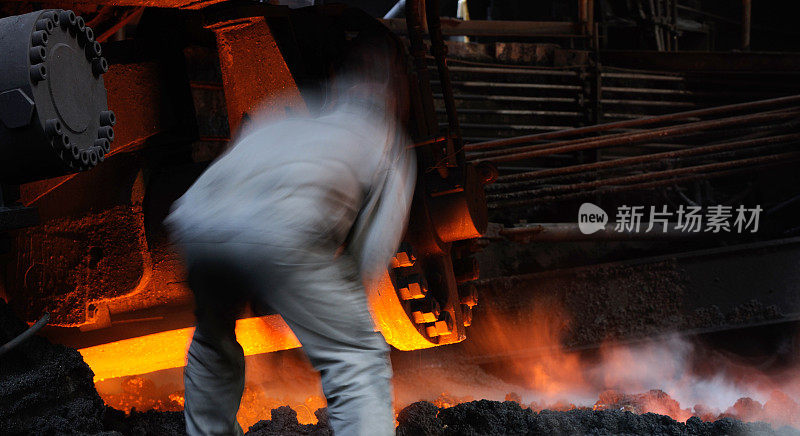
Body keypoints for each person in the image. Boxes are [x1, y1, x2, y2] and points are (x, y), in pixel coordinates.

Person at [165, 29, 416, 436]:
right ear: (394, 97)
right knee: (355, 358)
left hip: (196, 222)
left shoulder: (286, 116)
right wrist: (329, 323)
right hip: (281, 230)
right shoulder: (383, 138)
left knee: (212, 341)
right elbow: (365, 260)